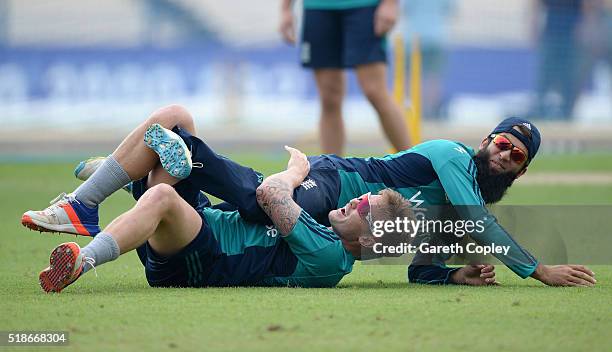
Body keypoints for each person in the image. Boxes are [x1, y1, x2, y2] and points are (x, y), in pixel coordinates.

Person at [25, 105, 592, 287]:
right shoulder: (451, 159)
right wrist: (536, 269)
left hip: (330, 216)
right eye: (502, 142)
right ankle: (108, 193)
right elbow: (473, 221)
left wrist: (451, 276)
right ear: (485, 140)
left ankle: (126, 177)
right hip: (335, 182)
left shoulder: (449, 214)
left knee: (176, 129)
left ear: (520, 170)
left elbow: (414, 260)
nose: (504, 154)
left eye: (517, 156)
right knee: (262, 194)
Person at [23, 110, 415, 292]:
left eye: (364, 207)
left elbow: (269, 194)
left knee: (161, 194)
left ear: (368, 241)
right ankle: (83, 204)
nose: (355, 200)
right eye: (362, 195)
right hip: (201, 221)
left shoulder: (331, 258)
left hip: (199, 263)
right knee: (176, 120)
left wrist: (298, 170)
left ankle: (83, 260)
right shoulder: (328, 231)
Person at [279, 0, 411, 155]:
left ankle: (419, 168)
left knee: (375, 92)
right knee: (329, 98)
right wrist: (286, 8)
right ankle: (332, 173)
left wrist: (390, 3)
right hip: (318, 7)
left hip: (364, 6)